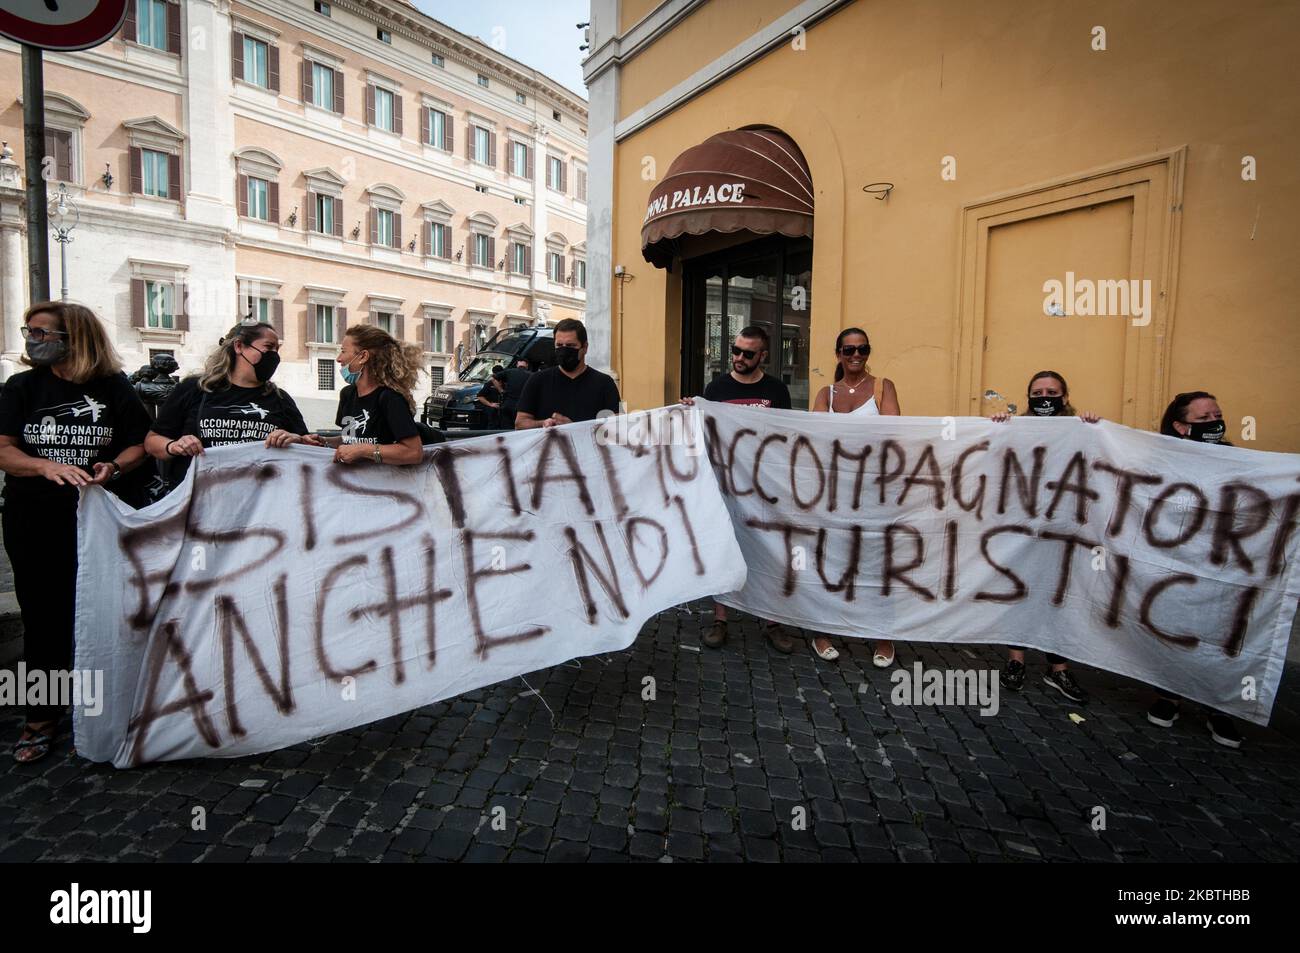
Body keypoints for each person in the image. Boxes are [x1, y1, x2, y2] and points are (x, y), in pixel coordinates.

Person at [0, 302, 152, 763]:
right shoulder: (21, 387)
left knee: (103, 613)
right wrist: (43, 466)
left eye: (43, 333)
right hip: (34, 519)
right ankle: (39, 718)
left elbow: (138, 444)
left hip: (98, 520)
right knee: (43, 619)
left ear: (74, 338)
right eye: (30, 331)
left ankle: (104, 710)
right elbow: (4, 451)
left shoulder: (113, 388)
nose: (33, 339)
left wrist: (114, 464)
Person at [683, 326, 800, 655]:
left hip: (766, 486)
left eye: (748, 353)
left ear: (763, 356)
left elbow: (786, 435)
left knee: (770, 550)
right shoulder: (717, 388)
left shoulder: (776, 390)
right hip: (726, 485)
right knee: (724, 547)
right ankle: (721, 618)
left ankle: (773, 621)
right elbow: (704, 432)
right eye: (735, 350)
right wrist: (691, 411)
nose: (738, 358)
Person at [991, 370, 1099, 704]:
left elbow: (1100, 464)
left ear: (1064, 397)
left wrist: (1097, 429)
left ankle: (1058, 667)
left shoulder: (1081, 431)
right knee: (1019, 591)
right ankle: (1015, 661)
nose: (1044, 397)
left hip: (1065, 530)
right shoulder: (1020, 429)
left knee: (1059, 595)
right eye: (1037, 392)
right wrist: (995, 427)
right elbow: (994, 460)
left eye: (1051, 391)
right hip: (1023, 526)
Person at [1146, 391, 1242, 748]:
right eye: (1203, 419)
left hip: (1223, 562)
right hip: (1176, 560)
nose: (1214, 422)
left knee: (1220, 631)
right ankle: (1168, 696)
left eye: (1216, 415)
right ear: (1180, 426)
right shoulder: (1163, 460)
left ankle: (1218, 705)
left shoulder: (1240, 461)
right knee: (1174, 626)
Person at [810, 328, 901, 666]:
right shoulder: (826, 393)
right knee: (830, 560)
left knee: (878, 561)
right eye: (848, 350)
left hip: (875, 491)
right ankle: (823, 629)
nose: (855, 355)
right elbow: (816, 438)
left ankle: (882, 635)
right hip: (834, 492)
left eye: (862, 348)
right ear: (838, 354)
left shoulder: (882, 387)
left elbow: (893, 434)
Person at [144, 321, 310, 473]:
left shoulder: (280, 399)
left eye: (277, 349)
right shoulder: (196, 389)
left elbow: (309, 448)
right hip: (201, 497)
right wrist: (174, 446)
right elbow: (152, 441)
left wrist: (295, 440)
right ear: (238, 346)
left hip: (260, 499)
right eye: (268, 346)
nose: (274, 355)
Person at [301, 325, 423, 465]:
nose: (338, 359)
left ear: (363, 356)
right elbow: (350, 439)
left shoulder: (390, 398)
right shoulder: (347, 394)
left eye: (343, 351)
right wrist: (324, 441)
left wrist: (364, 450)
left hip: (384, 483)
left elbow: (414, 452)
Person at [515, 318, 620, 428]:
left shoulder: (605, 383)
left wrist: (573, 429)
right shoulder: (537, 380)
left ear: (585, 347)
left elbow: (618, 427)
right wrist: (544, 423)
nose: (564, 351)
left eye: (570, 346)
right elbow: (520, 423)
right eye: (559, 345)